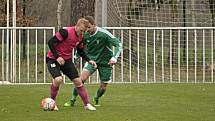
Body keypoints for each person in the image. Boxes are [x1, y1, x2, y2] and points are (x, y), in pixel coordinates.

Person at [64, 16, 122, 107]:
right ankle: (72, 99)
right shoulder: (84, 34)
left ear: (94, 25)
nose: (87, 29)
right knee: (80, 80)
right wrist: (75, 56)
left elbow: (118, 44)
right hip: (92, 60)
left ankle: (97, 97)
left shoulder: (104, 33)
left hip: (106, 62)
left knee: (103, 87)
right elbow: (80, 47)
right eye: (86, 27)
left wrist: (114, 57)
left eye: (89, 27)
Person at [46, 18, 97, 111]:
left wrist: (89, 60)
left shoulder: (81, 37)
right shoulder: (65, 32)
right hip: (53, 59)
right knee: (58, 79)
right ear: (76, 26)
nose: (81, 33)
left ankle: (87, 104)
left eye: (84, 31)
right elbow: (51, 42)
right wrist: (57, 56)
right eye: (81, 30)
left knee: (78, 81)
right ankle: (52, 103)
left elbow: (81, 51)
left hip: (66, 60)